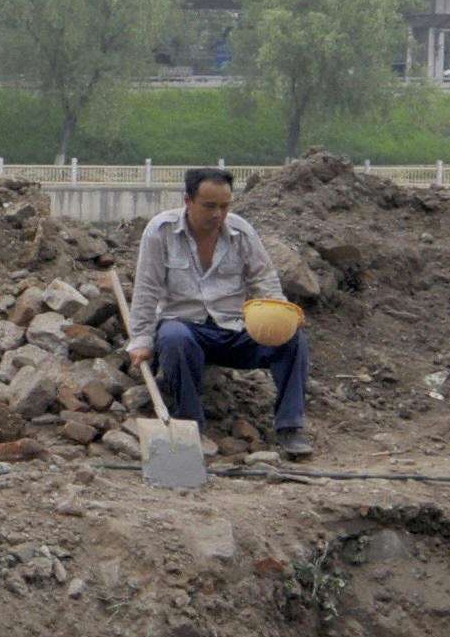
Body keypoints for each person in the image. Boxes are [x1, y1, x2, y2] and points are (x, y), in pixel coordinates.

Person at [124, 165, 312, 461]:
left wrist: (281, 313)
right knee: (173, 337)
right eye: (209, 206)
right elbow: (147, 289)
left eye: (224, 206)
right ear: (188, 201)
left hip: (234, 328)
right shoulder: (161, 232)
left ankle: (290, 427)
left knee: (294, 340)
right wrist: (142, 339)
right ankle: (190, 425)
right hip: (187, 330)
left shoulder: (240, 231)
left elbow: (263, 279)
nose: (217, 214)